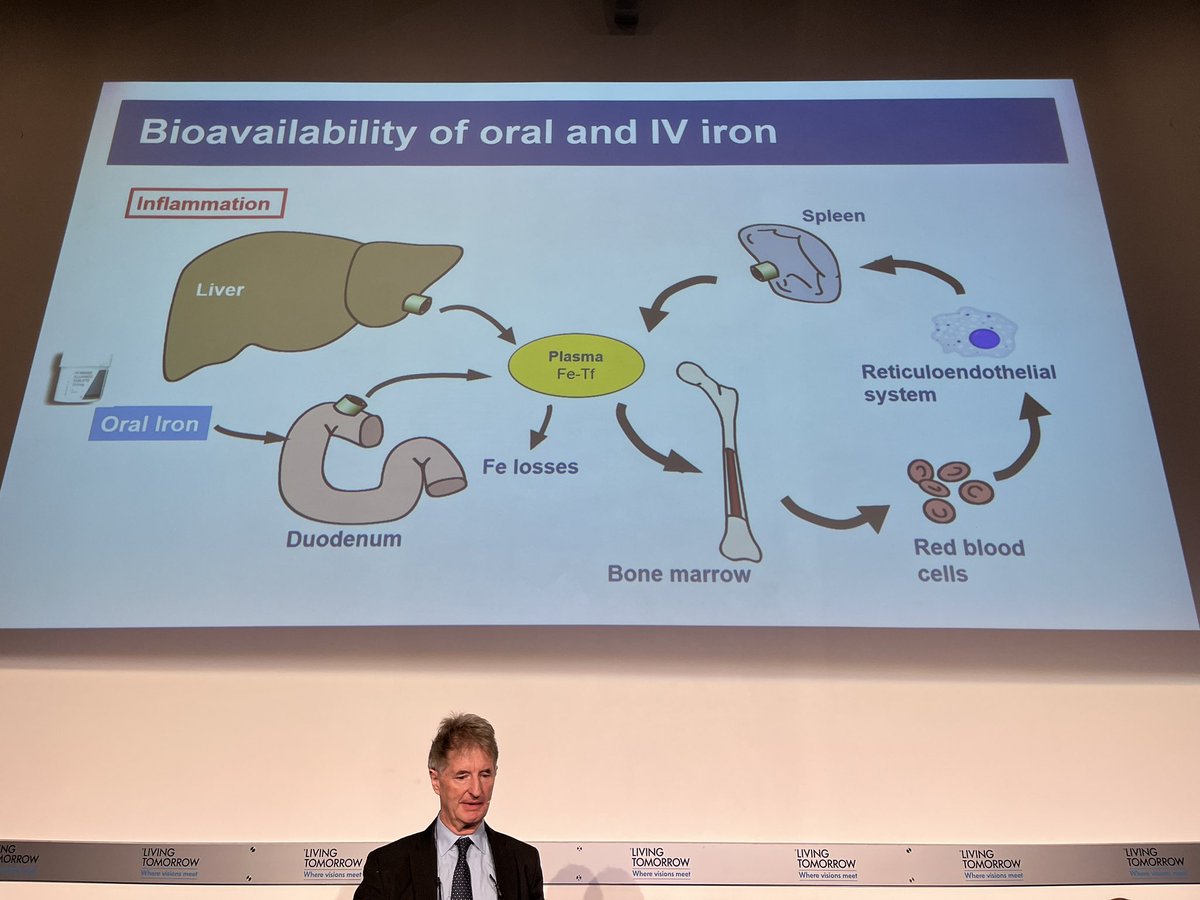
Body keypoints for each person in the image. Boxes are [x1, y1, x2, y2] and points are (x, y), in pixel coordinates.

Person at [355, 713, 544, 900]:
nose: (476, 790)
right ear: (435, 780)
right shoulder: (388, 865)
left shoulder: (524, 862)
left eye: (485, 775)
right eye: (462, 776)